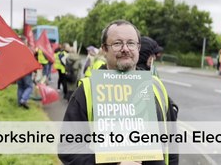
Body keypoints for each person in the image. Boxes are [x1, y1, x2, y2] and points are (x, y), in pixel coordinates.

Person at [58, 20, 178, 165]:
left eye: (131, 43)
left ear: (138, 48)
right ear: (104, 49)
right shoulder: (87, 90)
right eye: (117, 43)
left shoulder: (155, 85)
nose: (125, 49)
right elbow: (68, 148)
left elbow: (170, 143)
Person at [16, 36, 34, 109]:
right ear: (25, 42)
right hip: (27, 72)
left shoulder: (16, 50)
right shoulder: (28, 50)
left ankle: (19, 102)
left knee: (20, 87)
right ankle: (23, 100)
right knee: (29, 86)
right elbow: (31, 62)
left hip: (18, 72)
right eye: (26, 42)